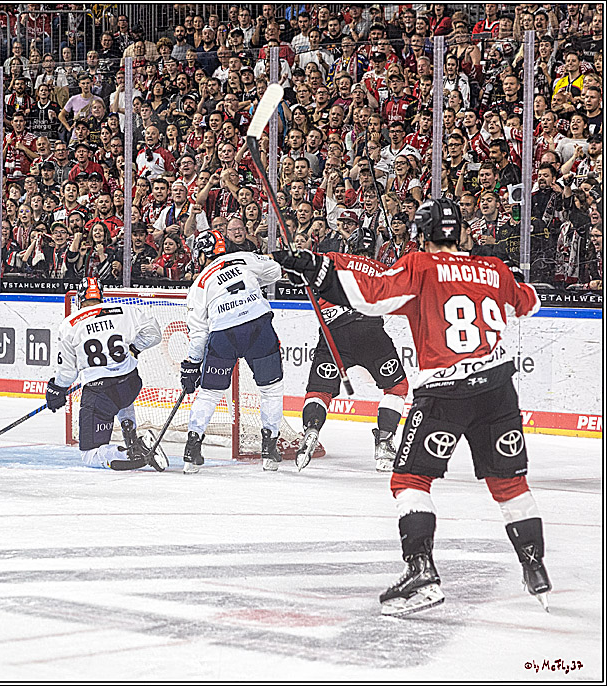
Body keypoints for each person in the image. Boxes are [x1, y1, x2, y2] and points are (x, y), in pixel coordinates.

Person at [274, 198, 550, 617]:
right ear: (459, 233)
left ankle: (422, 571)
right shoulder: (494, 269)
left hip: (444, 393)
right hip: (497, 389)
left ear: (422, 234)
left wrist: (316, 268)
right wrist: (517, 283)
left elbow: (370, 297)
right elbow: (527, 303)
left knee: (409, 480)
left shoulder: (421, 266)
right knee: (510, 485)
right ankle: (535, 568)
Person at [286, 226, 409, 473]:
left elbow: (301, 273)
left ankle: (311, 430)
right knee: (397, 387)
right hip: (370, 332)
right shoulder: (383, 270)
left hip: (334, 334)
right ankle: (384, 443)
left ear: (349, 246)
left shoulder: (333, 259)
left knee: (320, 391)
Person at [181, 230, 285, 474]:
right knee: (270, 389)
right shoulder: (243, 258)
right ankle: (269, 449)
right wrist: (252, 285)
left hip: (224, 333)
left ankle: (192, 448)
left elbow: (199, 333)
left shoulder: (200, 283)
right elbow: (275, 270)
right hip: (258, 326)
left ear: (202, 254)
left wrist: (192, 365)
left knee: (209, 393)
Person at [45, 277, 166, 471]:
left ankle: (134, 450)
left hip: (100, 393)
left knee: (89, 455)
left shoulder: (70, 325)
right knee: (121, 393)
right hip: (130, 384)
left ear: (79, 298)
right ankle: (130, 432)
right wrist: (134, 349)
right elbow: (154, 334)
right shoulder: (125, 310)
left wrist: (57, 389)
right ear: (101, 296)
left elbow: (68, 373)